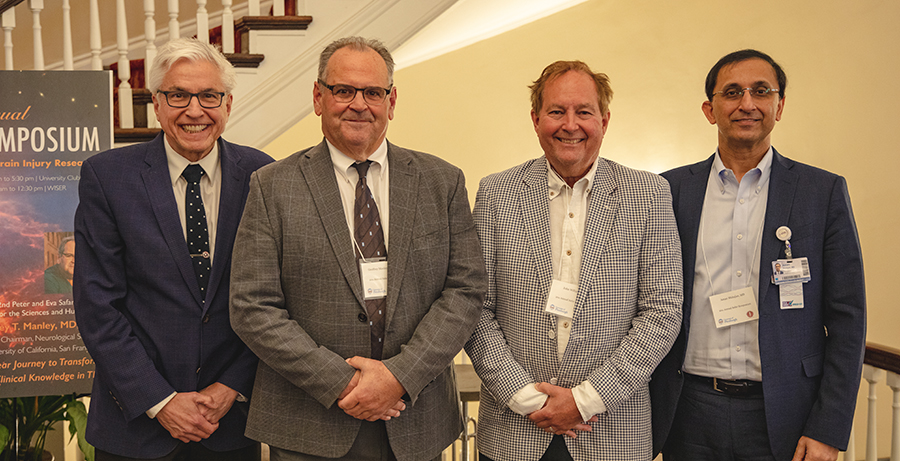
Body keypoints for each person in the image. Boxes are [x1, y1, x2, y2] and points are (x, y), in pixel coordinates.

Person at [228, 36, 486, 461]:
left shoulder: (442, 181)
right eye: (343, 90)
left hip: (415, 418)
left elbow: (465, 291)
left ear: (392, 100)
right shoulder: (272, 186)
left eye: (372, 92)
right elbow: (252, 307)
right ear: (318, 97)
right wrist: (345, 383)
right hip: (308, 423)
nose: (358, 104)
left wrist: (398, 378)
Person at [650, 49, 866, 461]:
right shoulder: (669, 191)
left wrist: (829, 428)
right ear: (709, 109)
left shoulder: (822, 192)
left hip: (786, 411)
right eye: (732, 92)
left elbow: (847, 318)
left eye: (761, 91)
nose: (747, 103)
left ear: (779, 106)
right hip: (687, 408)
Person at [464, 60, 683, 461]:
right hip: (515, 431)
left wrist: (585, 400)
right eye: (556, 111)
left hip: (611, 430)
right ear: (535, 119)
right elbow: (476, 305)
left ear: (604, 120)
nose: (571, 124)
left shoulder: (649, 194)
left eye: (584, 111)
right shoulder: (496, 193)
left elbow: (662, 312)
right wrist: (528, 399)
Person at [74, 38, 274, 460]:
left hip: (230, 426)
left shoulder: (263, 175)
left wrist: (231, 386)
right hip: (134, 431)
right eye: (178, 95)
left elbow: (276, 299)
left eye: (209, 96)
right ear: (157, 103)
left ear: (228, 104)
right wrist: (161, 401)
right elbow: (98, 306)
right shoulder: (108, 177)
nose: (194, 110)